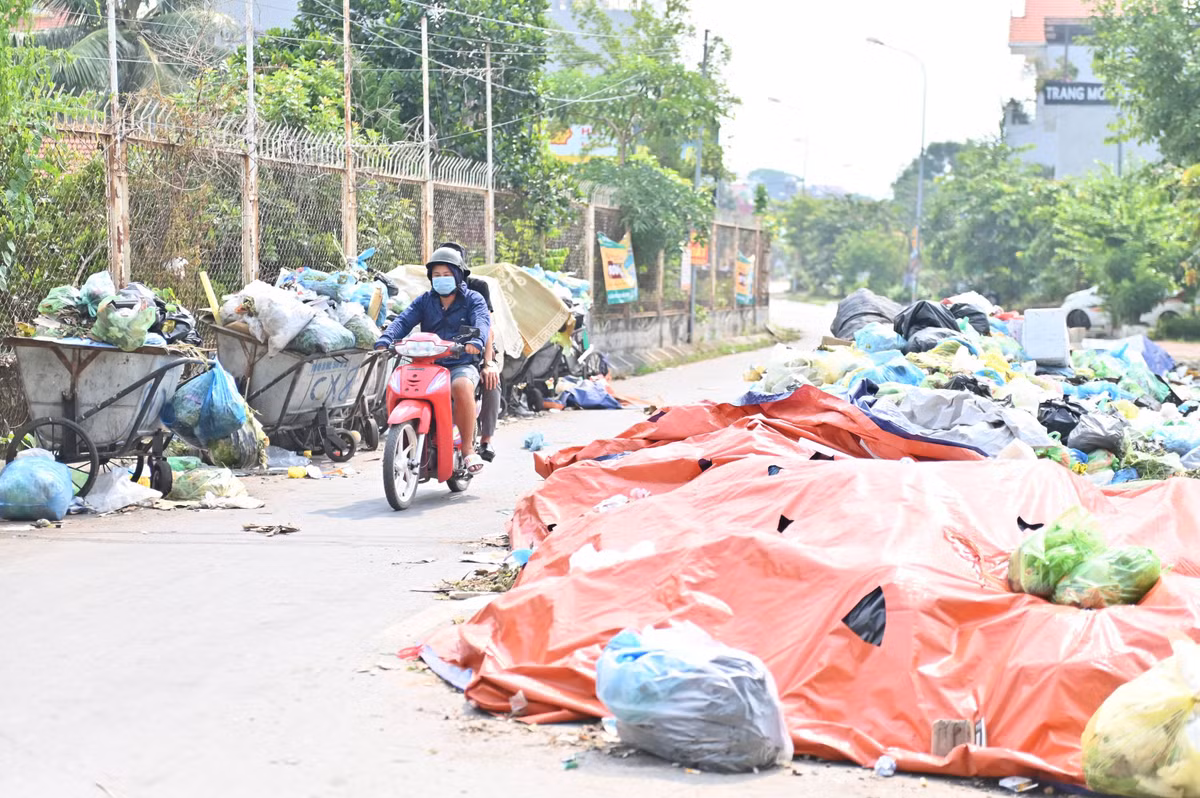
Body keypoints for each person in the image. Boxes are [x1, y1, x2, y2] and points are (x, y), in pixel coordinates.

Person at [374, 245, 491, 474]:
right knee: (402, 386)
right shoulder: (425, 301)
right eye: (436, 275)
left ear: (458, 275)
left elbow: (482, 321)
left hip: (460, 363)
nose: (441, 279)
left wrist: (476, 341)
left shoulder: (473, 299)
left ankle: (467, 449)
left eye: (447, 274)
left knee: (461, 386)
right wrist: (386, 339)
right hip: (427, 363)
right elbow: (403, 321)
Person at [437, 242, 501, 462]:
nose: (443, 276)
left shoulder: (477, 289)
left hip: (475, 347)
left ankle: (486, 439)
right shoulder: (434, 291)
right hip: (442, 351)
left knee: (491, 380)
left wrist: (488, 362)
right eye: (439, 271)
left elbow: (486, 326)